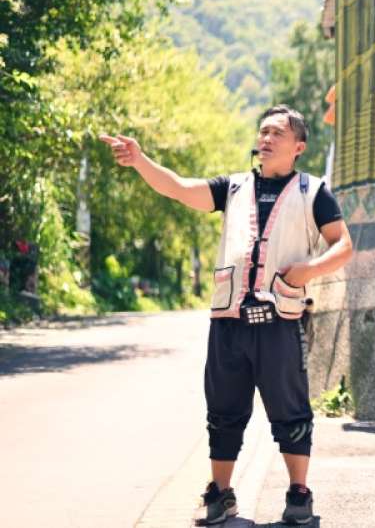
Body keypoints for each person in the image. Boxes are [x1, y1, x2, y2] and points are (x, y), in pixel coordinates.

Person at [100, 104, 353, 525]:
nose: (266, 138)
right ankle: (220, 493)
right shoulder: (233, 187)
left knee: (290, 410)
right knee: (223, 411)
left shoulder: (314, 192)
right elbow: (179, 188)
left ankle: (299, 495)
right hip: (228, 322)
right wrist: (141, 161)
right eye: (263, 131)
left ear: (299, 146)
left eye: (277, 133)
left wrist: (309, 270)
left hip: (280, 321)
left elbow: (343, 245)